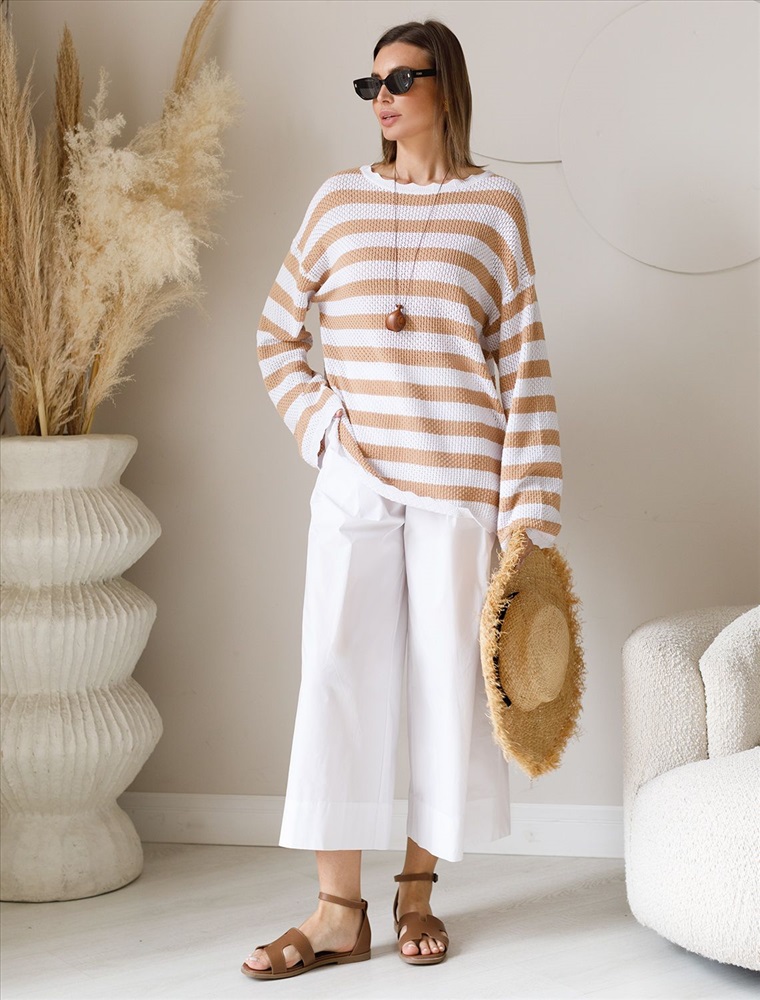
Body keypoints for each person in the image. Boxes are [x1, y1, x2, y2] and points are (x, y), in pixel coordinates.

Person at [244, 18, 562, 980]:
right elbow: (275, 335)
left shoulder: (495, 206)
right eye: (370, 84)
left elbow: (524, 364)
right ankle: (336, 911)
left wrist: (528, 514)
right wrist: (327, 433)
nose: (381, 97)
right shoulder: (337, 200)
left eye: (400, 79)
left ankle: (417, 892)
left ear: (445, 87)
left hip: (461, 484)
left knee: (445, 684)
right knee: (334, 675)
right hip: (358, 479)